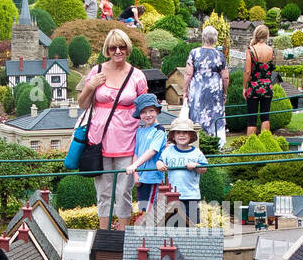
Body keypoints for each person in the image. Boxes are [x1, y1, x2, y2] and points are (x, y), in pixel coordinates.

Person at [77, 28, 146, 229]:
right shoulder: (97, 71)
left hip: (127, 140)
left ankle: (122, 236)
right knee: (104, 192)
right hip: (100, 140)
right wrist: (91, 86)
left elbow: (145, 107)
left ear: (127, 48)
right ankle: (104, 235)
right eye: (113, 47)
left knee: (124, 191)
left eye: (121, 46)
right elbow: (82, 104)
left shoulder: (137, 76)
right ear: (107, 50)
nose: (118, 51)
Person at [157, 113, 208, 225]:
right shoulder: (168, 151)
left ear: (190, 136)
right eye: (178, 133)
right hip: (173, 196)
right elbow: (160, 161)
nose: (181, 135)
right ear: (173, 136)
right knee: (173, 223)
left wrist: (196, 165)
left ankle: (190, 242)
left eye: (185, 132)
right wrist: (159, 164)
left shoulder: (196, 152)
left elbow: (204, 168)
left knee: (191, 224)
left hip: (191, 195)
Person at [185, 25, 228, 144]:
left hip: (197, 90)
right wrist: (225, 92)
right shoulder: (220, 56)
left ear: (203, 38)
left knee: (196, 114)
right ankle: (217, 144)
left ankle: (195, 143)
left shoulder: (194, 53)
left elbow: (188, 74)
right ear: (215, 39)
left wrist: (185, 91)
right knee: (215, 116)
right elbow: (225, 77)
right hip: (214, 91)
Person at [125, 93, 167, 212]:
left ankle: (150, 230)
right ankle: (144, 230)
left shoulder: (159, 130)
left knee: (151, 211)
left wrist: (135, 166)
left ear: (157, 111)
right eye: (144, 112)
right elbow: (136, 153)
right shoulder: (140, 131)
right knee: (142, 210)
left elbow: (152, 151)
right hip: (142, 178)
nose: (148, 115)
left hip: (153, 177)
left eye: (151, 110)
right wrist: (136, 174)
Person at [242, 24, 276, 136]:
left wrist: (244, 87)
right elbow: (271, 69)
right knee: (265, 117)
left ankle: (250, 145)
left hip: (254, 87)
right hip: (267, 86)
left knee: (252, 118)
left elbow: (247, 71)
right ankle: (266, 141)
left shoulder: (251, 50)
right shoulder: (271, 50)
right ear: (267, 36)